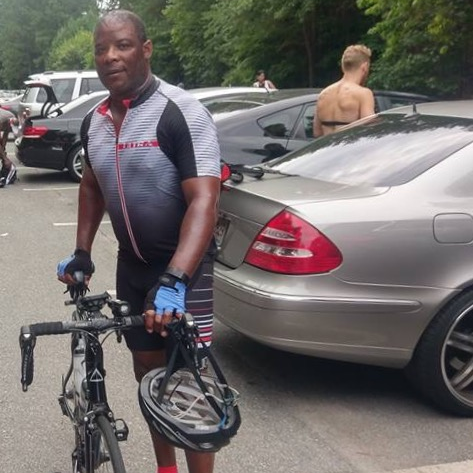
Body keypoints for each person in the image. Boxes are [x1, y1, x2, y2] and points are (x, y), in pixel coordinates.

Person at [57, 10, 221, 473]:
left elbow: (204, 200)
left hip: (185, 271)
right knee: (149, 376)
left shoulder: (179, 111)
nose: (110, 56)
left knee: (190, 387)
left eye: (123, 45)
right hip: (132, 267)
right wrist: (83, 251)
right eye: (101, 49)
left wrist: (176, 278)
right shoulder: (94, 121)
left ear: (146, 49)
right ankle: (165, 468)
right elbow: (92, 185)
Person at [313, 44, 375, 138]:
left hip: (328, 146)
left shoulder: (323, 94)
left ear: (343, 66)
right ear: (365, 66)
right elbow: (369, 129)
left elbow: (317, 133)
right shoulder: (363, 94)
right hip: (351, 146)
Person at [0, 109, 17, 188]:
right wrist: (4, 158)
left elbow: (5, 136)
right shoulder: (2, 120)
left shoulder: (9, 117)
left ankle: (6, 169)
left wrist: (3, 149)